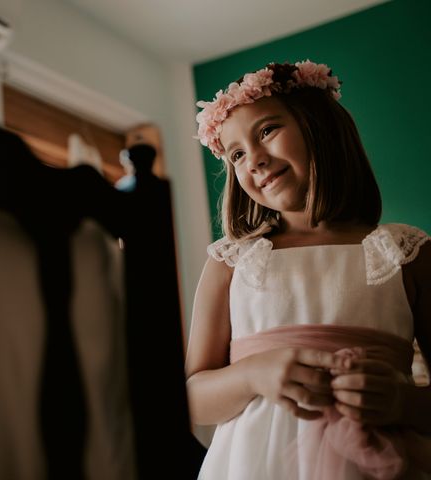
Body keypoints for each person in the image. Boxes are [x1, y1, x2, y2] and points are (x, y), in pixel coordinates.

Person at [186, 60, 431, 479]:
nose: (255, 161)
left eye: (267, 131)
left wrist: (402, 401)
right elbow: (193, 396)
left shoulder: (405, 252)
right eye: (237, 154)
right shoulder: (231, 262)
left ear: (319, 126)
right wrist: (252, 375)